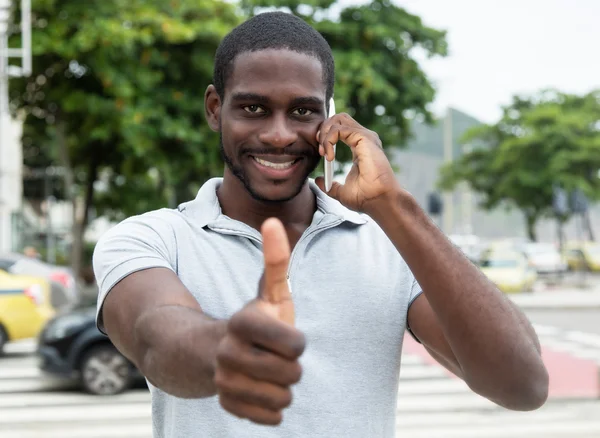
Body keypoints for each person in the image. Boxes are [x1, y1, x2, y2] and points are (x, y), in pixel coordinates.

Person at [93, 11, 549, 438]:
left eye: (302, 111)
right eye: (253, 108)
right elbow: (155, 338)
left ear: (330, 117)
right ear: (215, 108)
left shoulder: (389, 244)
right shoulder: (151, 238)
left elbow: (522, 385)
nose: (278, 134)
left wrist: (394, 207)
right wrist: (226, 349)